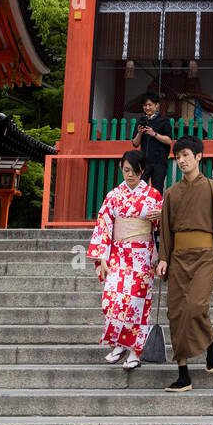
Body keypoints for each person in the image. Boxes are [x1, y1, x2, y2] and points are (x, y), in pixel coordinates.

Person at [155, 136, 213, 392]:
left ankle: (212, 346)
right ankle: (183, 373)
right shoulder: (170, 194)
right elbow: (166, 231)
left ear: (199, 157)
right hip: (178, 257)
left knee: (194, 307)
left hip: (206, 255)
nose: (181, 160)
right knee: (176, 312)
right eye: (178, 156)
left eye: (186, 155)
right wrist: (163, 257)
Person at [87, 149, 164, 370]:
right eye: (126, 170)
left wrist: (161, 217)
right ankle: (119, 344)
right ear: (121, 169)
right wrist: (102, 256)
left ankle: (135, 350)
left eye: (135, 171)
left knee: (137, 305)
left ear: (142, 171)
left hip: (142, 257)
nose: (130, 175)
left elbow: (160, 228)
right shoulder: (113, 196)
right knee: (112, 301)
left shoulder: (153, 196)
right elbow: (104, 225)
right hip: (118, 255)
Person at [129, 91, 173, 188]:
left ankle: (157, 204)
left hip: (159, 162)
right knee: (140, 188)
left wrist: (154, 134)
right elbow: (135, 143)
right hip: (144, 162)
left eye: (150, 105)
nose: (147, 108)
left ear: (157, 105)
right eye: (145, 105)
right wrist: (140, 133)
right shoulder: (141, 122)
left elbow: (169, 140)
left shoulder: (164, 121)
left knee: (157, 189)